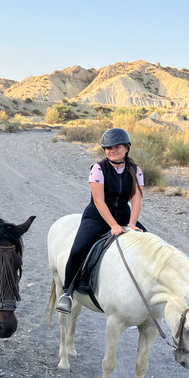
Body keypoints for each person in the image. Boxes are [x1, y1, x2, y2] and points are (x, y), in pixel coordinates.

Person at [56, 127, 147, 314]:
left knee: (150, 243)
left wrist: (131, 224)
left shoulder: (135, 170)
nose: (112, 150)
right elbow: (98, 200)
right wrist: (113, 225)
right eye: (108, 148)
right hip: (97, 215)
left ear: (126, 148)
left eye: (117, 147)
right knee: (78, 249)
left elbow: (136, 199)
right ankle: (68, 293)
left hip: (123, 213)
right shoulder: (98, 168)